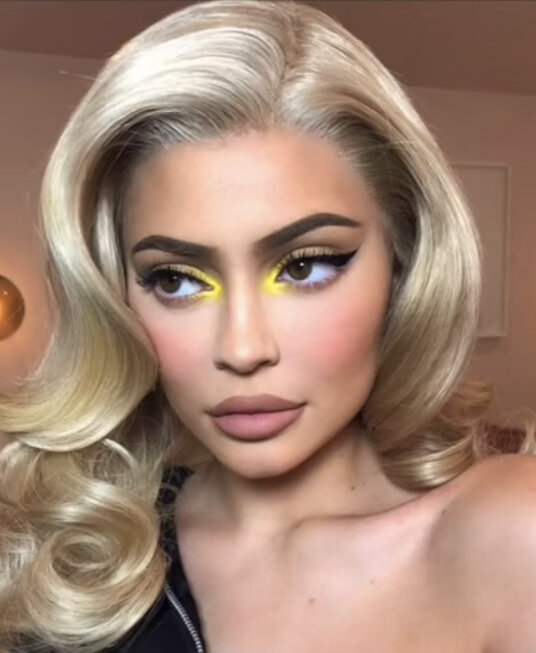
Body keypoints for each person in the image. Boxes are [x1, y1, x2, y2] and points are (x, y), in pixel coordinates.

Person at [1, 1, 535, 651]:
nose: (243, 348)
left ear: (403, 263)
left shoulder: (511, 536)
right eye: (176, 279)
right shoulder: (78, 549)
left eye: (305, 267)